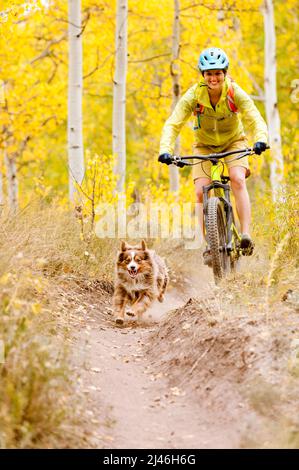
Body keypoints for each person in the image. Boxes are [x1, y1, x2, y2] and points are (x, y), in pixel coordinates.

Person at [158, 47, 268, 264]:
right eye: (209, 73)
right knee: (200, 192)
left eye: (218, 72)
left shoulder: (234, 92)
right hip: (204, 146)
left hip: (234, 142)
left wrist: (261, 138)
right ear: (203, 75)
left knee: (237, 179)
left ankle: (245, 234)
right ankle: (209, 245)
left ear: (224, 73)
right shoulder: (193, 96)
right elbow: (173, 123)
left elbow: (254, 116)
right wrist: (165, 149)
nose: (214, 77)